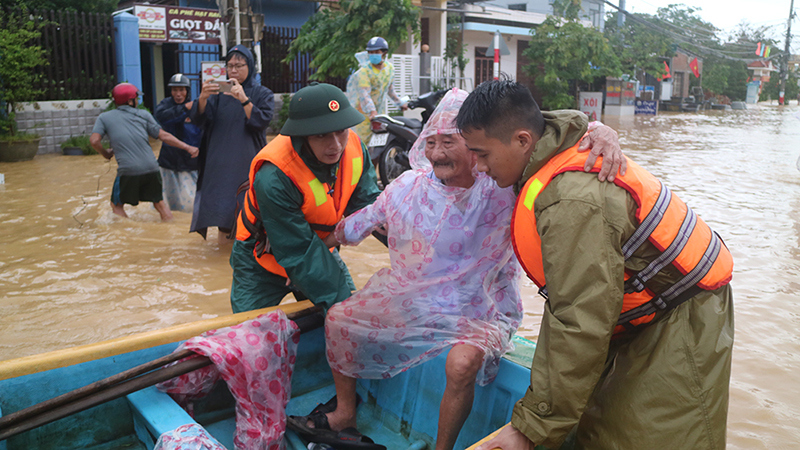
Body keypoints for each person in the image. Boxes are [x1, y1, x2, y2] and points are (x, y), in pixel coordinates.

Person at [287, 89, 626, 450]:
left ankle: (442, 447)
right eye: (430, 142)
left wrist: (604, 131)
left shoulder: (502, 185)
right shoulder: (407, 188)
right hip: (419, 303)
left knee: (461, 364)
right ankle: (344, 413)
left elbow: (549, 138)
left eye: (449, 141)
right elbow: (353, 227)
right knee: (339, 319)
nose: (436, 153)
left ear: (475, 145)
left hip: (484, 310)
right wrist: (305, 250)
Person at [455, 80, 734, 450]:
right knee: (593, 423)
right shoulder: (553, 150)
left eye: (483, 154)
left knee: (644, 437)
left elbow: (579, 317)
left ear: (523, 141)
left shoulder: (572, 201)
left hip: (679, 316)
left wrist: (531, 427)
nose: (478, 166)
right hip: (636, 309)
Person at [229, 82, 381, 313]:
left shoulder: (355, 149)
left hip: (319, 248)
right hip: (261, 258)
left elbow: (372, 209)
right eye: (321, 135)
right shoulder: (275, 176)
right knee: (247, 333)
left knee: (346, 310)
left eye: (341, 130)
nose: (336, 145)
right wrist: (342, 310)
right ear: (302, 136)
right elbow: (299, 252)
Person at [190, 45, 274, 243]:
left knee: (251, 212)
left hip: (247, 162)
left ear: (250, 66)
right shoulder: (218, 95)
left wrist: (244, 99)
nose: (233, 70)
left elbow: (262, 122)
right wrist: (202, 97)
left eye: (238, 65)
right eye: (229, 66)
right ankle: (222, 260)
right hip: (219, 165)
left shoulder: (263, 93)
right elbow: (200, 120)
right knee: (222, 214)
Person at [90, 82, 199, 222]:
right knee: (159, 203)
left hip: (128, 170)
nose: (137, 101)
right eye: (136, 98)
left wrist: (106, 153)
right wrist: (188, 147)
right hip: (152, 168)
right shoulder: (143, 114)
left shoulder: (104, 117)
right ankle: (170, 230)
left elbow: (94, 141)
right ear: (130, 101)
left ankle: (128, 236)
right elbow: (164, 136)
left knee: (116, 205)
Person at [345, 36, 408, 143]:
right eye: (371, 52)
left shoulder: (389, 69)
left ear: (384, 53)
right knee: (363, 143)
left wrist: (399, 103)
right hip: (365, 114)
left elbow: (390, 89)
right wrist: (371, 111)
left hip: (380, 113)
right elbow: (364, 93)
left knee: (380, 143)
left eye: (377, 52)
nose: (373, 54)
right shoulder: (365, 71)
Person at [154, 73, 203, 213]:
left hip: (191, 162)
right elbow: (163, 118)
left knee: (193, 204)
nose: (178, 94)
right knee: (167, 201)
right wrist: (184, 109)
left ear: (187, 91)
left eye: (181, 90)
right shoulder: (165, 105)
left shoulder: (197, 108)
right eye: (175, 90)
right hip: (168, 161)